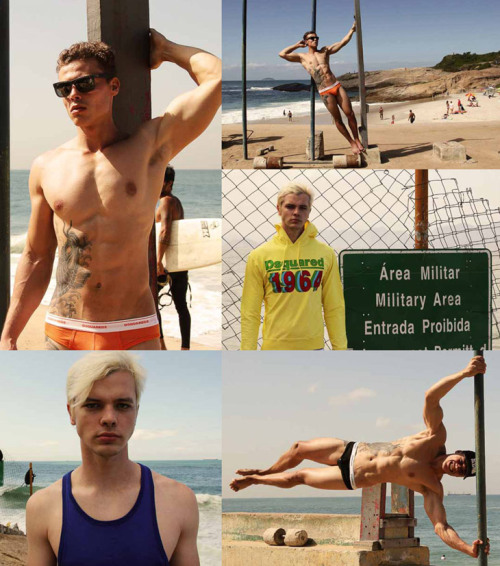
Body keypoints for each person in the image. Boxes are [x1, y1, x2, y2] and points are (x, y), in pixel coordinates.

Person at [0, 30, 221, 351]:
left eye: (85, 83)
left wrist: (166, 49)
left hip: (135, 328)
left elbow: (214, 80)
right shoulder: (46, 167)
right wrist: (8, 335)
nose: (74, 94)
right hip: (64, 329)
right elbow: (36, 257)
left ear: (113, 86)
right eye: (64, 88)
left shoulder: (149, 146)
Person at [230, 356, 490, 559]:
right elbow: (431, 397)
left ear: (459, 476)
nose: (458, 466)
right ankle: (264, 471)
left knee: (298, 477)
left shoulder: (432, 487)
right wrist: (464, 374)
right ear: (457, 452)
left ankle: (256, 480)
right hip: (352, 449)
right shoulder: (434, 436)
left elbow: (441, 527)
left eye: (462, 470)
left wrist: (467, 549)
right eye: (462, 460)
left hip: (353, 477)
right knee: (298, 447)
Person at [26, 352, 200, 565]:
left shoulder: (179, 501)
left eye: (122, 405)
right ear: (71, 412)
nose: (109, 418)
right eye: (92, 405)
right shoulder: (43, 506)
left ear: (136, 411)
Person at [240, 182, 347, 351]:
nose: (296, 212)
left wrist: (340, 349)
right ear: (279, 208)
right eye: (290, 206)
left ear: (309, 211)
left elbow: (334, 307)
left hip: (314, 348)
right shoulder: (259, 256)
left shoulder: (325, 254)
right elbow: (250, 312)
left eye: (302, 207)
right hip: (273, 348)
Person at [279, 23, 364, 155]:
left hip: (336, 85)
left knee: (350, 114)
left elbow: (342, 42)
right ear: (306, 42)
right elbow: (282, 54)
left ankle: (357, 139)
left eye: (316, 37)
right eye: (312, 38)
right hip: (325, 92)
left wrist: (352, 30)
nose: (315, 39)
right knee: (338, 119)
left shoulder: (324, 51)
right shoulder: (302, 57)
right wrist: (297, 45)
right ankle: (351, 143)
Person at [156, 165, 191, 351]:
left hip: (167, 262)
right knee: (181, 306)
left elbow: (165, 230)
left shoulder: (166, 202)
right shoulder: (177, 202)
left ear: (169, 183)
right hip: (180, 261)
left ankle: (161, 345)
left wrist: (158, 260)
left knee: (152, 303)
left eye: (160, 180)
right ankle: (185, 348)